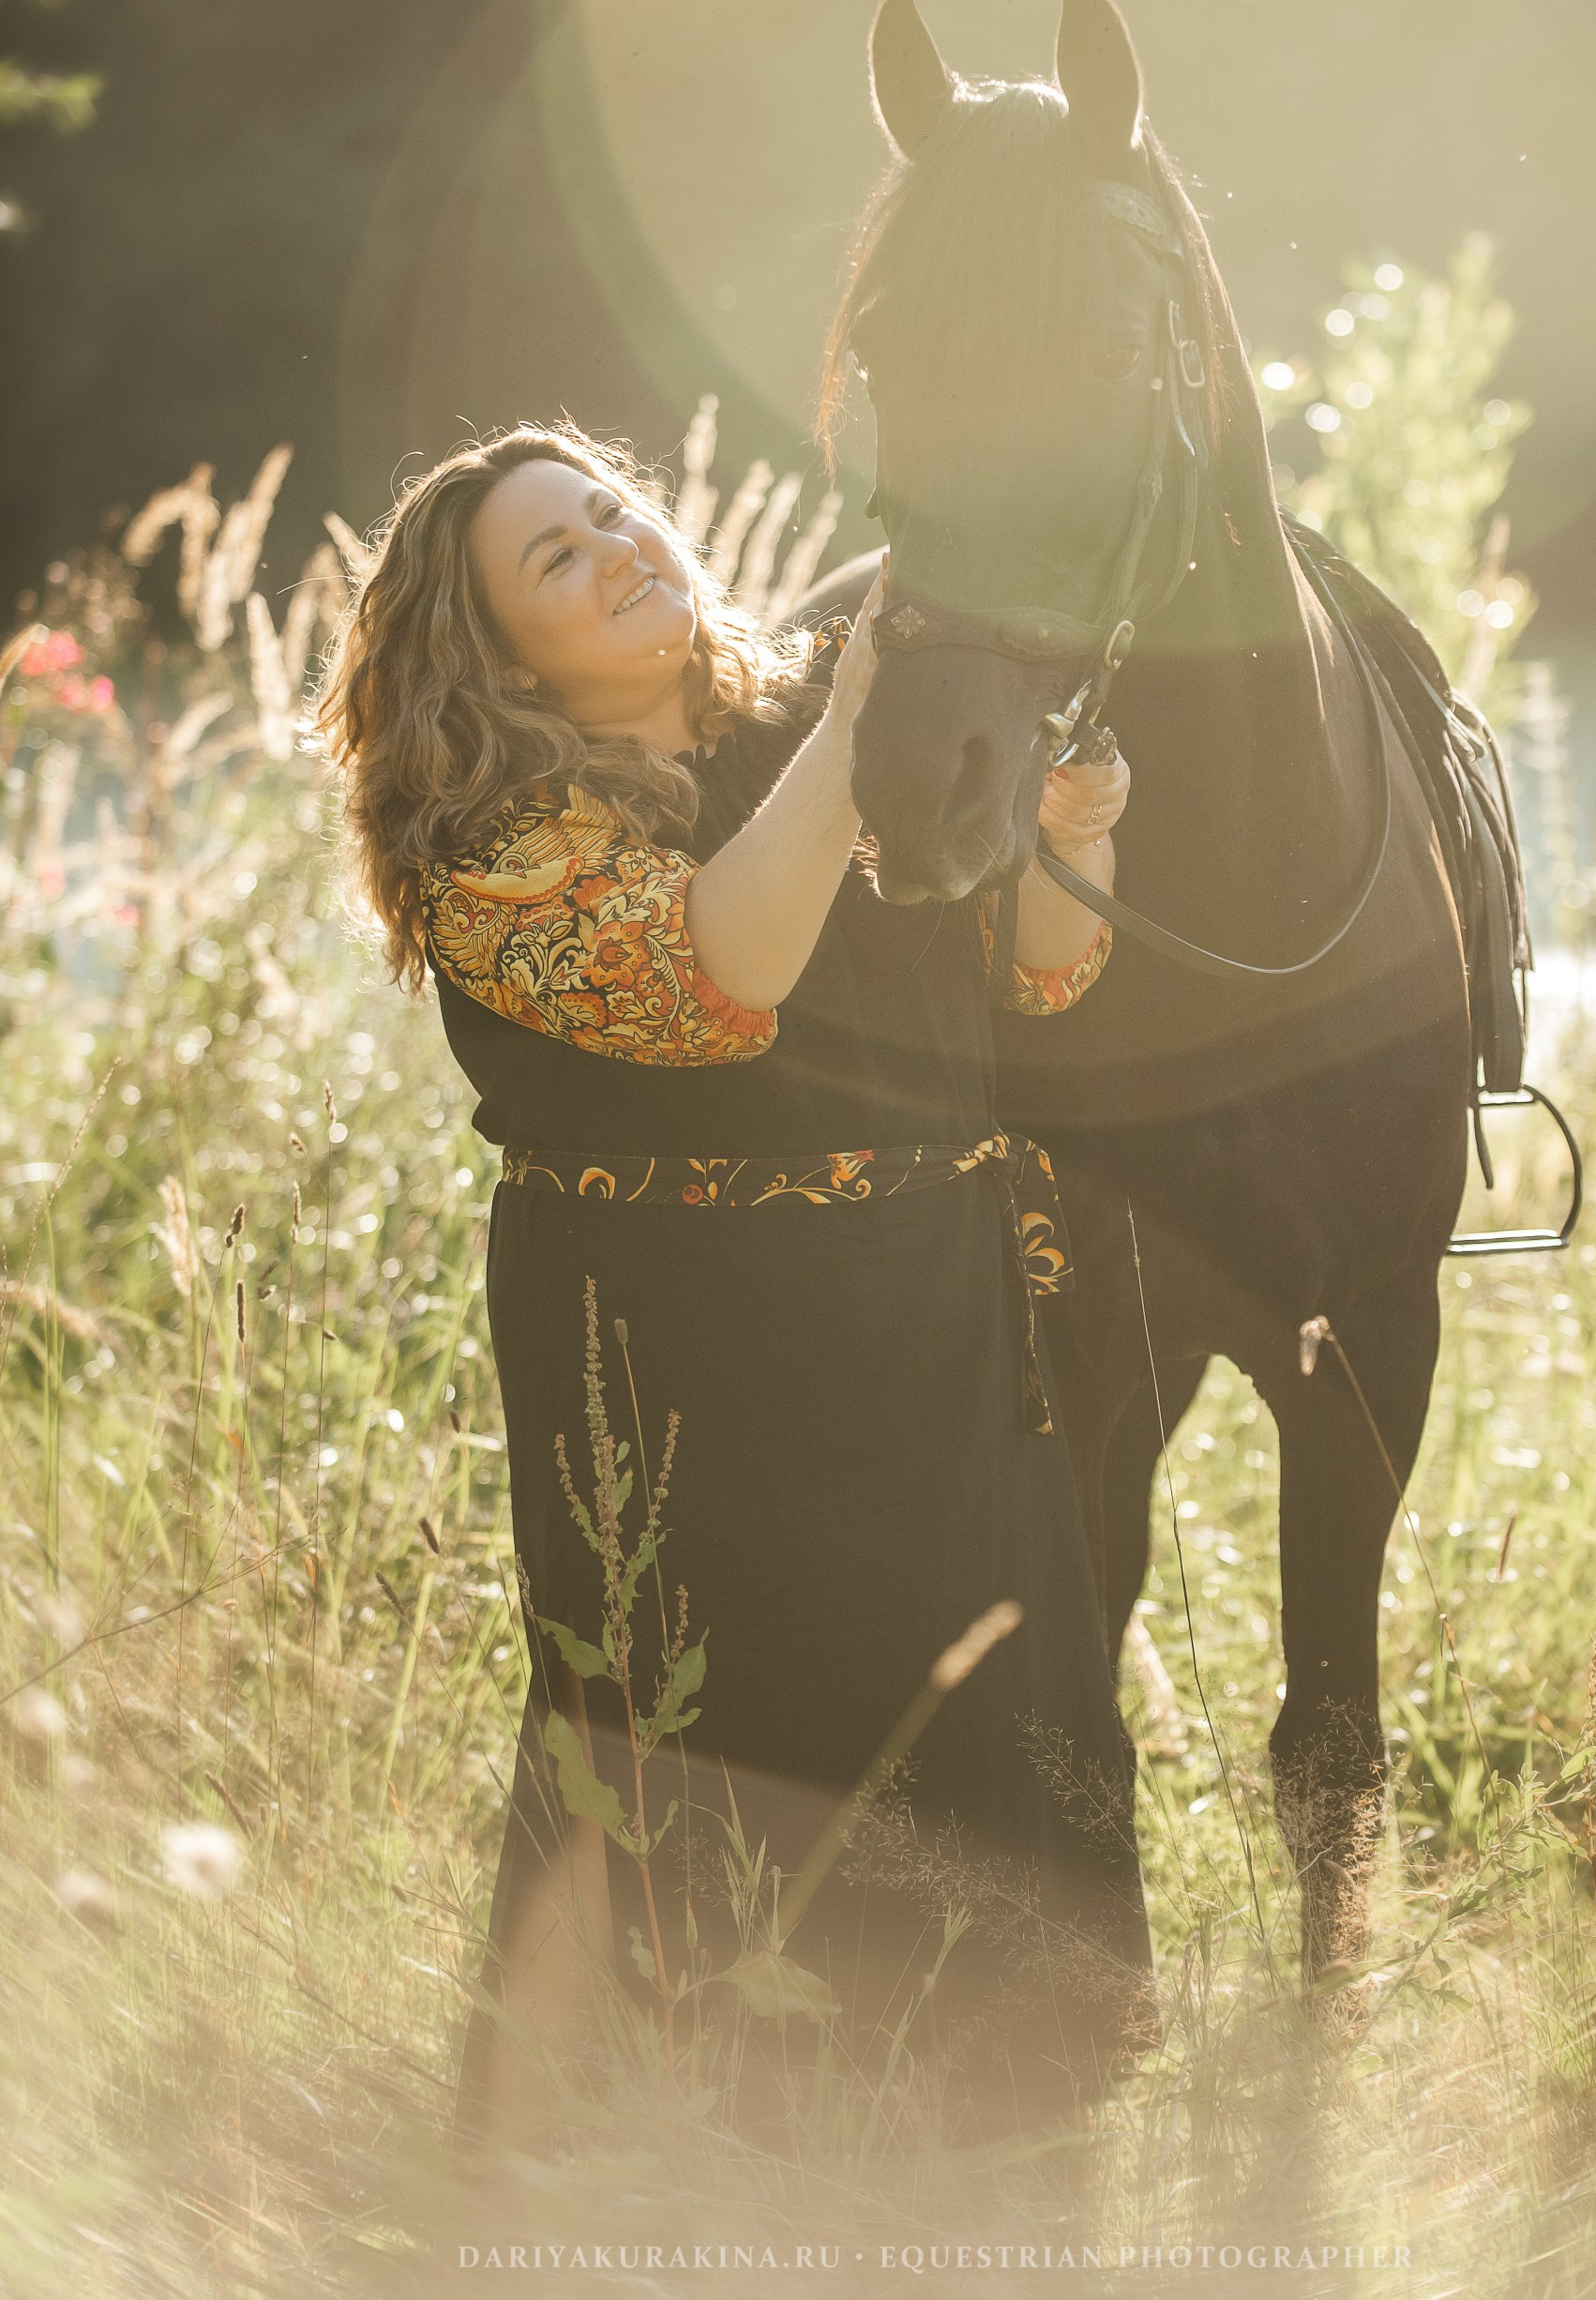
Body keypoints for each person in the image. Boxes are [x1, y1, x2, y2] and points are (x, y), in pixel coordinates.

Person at [317, 417, 1152, 2145]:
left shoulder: (825, 733)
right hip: (692, 1359)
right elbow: (724, 978)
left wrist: (1079, 836)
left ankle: (996, 2143)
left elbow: (1028, 990)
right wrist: (851, 728)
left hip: (937, 1318)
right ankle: (699, 2163)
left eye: (619, 510)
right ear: (490, 648)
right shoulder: (497, 837)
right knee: (730, 1734)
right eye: (559, 555)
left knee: (992, 1722)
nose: (624, 546)